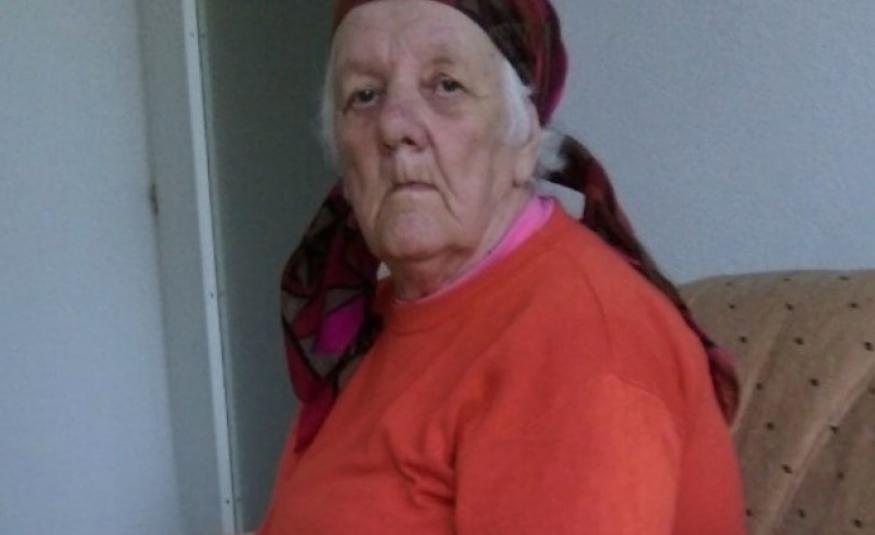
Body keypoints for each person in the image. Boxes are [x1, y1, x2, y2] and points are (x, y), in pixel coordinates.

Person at [256, 0, 746, 533]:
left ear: (524, 136)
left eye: (446, 85)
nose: (393, 126)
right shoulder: (367, 321)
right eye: (365, 95)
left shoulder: (581, 343)